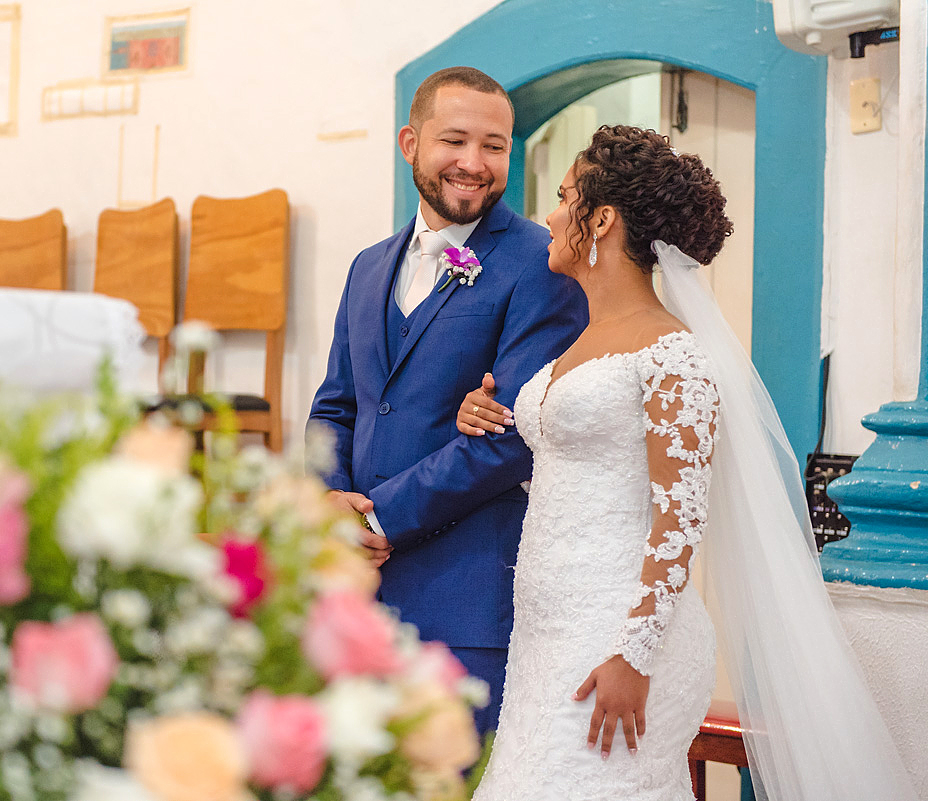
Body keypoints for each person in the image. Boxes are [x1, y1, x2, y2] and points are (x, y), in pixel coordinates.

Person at [458, 125, 916, 800]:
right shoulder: (577, 341)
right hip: (545, 633)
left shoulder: (675, 354)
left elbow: (680, 514)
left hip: (622, 639)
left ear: (603, 218)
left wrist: (634, 652)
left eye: (562, 197)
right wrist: (484, 414)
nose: (548, 216)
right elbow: (579, 474)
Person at [306, 66, 586, 734]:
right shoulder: (367, 265)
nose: (474, 163)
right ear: (410, 142)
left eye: (494, 145)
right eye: (454, 140)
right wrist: (326, 501)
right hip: (353, 599)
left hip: (463, 601)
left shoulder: (540, 263)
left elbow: (509, 434)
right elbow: (336, 405)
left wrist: (373, 523)